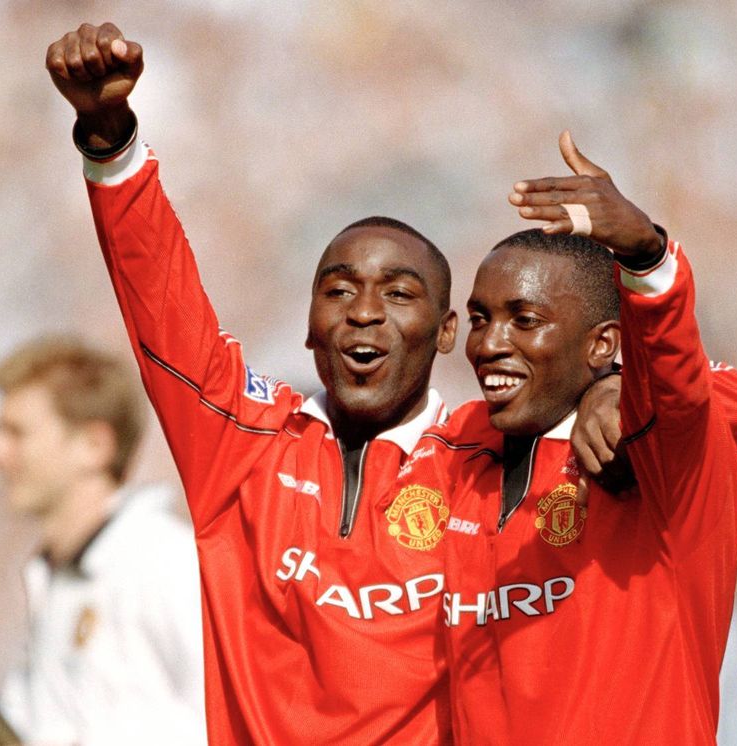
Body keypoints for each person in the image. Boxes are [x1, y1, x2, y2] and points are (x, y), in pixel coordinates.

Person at [44, 23, 638, 744]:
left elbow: (708, 409)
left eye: (397, 293)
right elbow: (163, 309)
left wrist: (610, 385)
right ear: (308, 326)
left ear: (447, 333)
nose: (363, 312)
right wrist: (112, 145)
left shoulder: (487, 460)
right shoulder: (243, 448)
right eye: (338, 290)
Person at [431, 133, 737, 743]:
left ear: (603, 344)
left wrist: (648, 259)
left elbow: (690, 393)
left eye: (524, 320)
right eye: (480, 318)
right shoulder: (455, 456)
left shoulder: (649, 465)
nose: (490, 343)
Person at [0, 335, 205, 745]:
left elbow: (231, 718)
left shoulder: (166, 561)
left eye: (17, 433)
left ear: (94, 445)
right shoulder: (49, 579)